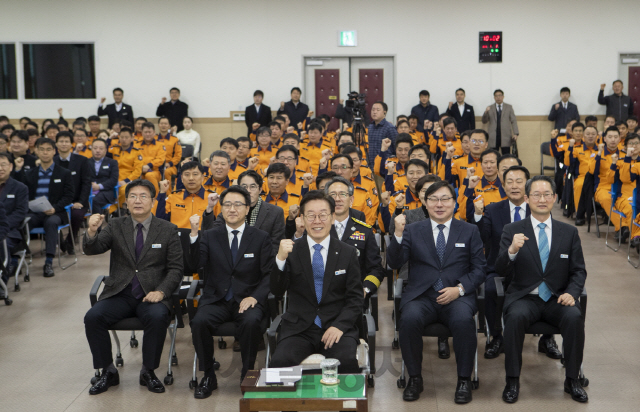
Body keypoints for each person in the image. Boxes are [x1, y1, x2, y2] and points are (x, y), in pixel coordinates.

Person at [387, 180, 486, 403]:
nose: (439, 204)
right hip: (422, 296)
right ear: (425, 203)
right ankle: (414, 378)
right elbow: (394, 263)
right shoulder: (412, 230)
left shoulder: (469, 231)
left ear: (454, 203)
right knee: (409, 319)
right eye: (433, 199)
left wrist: (460, 289)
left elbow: (480, 269)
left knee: (463, 321)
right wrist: (398, 234)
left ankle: (463, 380)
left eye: (445, 199)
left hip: (457, 295)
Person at [83, 179, 183, 395]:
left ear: (153, 202)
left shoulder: (167, 229)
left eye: (143, 196)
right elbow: (93, 249)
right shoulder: (116, 225)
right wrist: (91, 231)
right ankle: (108, 371)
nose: (138, 201)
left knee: (157, 317)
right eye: (133, 196)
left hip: (152, 294)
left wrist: (162, 291)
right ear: (126, 201)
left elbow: (176, 269)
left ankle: (148, 371)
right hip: (120, 292)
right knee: (93, 317)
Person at [495, 175, 587, 404]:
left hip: (557, 298)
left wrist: (572, 293)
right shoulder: (512, 229)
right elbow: (500, 270)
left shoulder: (569, 232)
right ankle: (512, 380)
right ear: (527, 199)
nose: (542, 199)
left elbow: (578, 271)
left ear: (555, 198)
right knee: (514, 318)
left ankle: (572, 379)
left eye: (547, 194)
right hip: (525, 297)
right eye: (536, 194)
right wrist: (512, 251)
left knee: (575, 317)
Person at [187, 186, 273, 396]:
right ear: (221, 208)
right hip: (216, 299)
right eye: (227, 204)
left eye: (237, 205)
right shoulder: (209, 235)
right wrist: (194, 234)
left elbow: (269, 274)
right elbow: (193, 265)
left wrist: (255, 297)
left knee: (251, 322)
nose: (232, 209)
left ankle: (247, 373)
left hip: (247, 298)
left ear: (247, 209)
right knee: (198, 322)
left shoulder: (260, 237)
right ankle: (208, 375)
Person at [270, 190, 363, 373]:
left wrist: (340, 326)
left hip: (336, 325)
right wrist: (280, 259)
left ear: (332, 217)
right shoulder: (291, 251)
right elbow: (277, 290)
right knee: (280, 363)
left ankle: (341, 402)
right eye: (311, 216)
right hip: (299, 328)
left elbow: (355, 299)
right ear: (302, 219)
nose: (317, 221)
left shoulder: (347, 252)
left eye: (323, 215)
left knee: (346, 362)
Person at [14, 138, 74, 277]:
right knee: (20, 223)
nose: (45, 153)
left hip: (56, 212)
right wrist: (17, 170)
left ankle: (48, 262)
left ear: (54, 151)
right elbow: (21, 192)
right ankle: (15, 261)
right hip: (35, 212)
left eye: (48, 149)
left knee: (51, 222)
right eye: (41, 149)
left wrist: (55, 208)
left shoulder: (64, 173)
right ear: (36, 151)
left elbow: (68, 196)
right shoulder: (30, 173)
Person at [203, 170, 285, 254]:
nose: (248, 191)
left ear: (260, 189)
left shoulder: (275, 212)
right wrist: (210, 208)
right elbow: (210, 235)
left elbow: (276, 246)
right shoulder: (232, 210)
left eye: (252, 187)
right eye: (244, 186)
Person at [54, 131, 91, 254]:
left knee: (76, 215)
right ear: (56, 143)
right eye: (61, 141)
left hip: (78, 200)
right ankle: (60, 242)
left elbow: (86, 183)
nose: (64, 144)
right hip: (58, 202)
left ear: (71, 144)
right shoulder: (52, 161)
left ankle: (70, 242)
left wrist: (80, 201)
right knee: (50, 218)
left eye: (66, 141)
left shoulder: (82, 160)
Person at [592, 127, 626, 242]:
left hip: (622, 186)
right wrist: (599, 153)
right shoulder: (598, 153)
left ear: (620, 139)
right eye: (610, 137)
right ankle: (622, 227)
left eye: (616, 137)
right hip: (603, 187)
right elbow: (591, 171)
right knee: (607, 199)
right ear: (604, 139)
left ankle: (628, 229)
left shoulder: (625, 153)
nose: (613, 140)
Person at [155, 161, 211, 229]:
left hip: (203, 238)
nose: (191, 178)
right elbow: (160, 219)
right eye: (187, 174)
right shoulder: (173, 197)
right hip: (177, 237)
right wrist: (162, 193)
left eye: (195, 174)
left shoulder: (211, 198)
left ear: (202, 177)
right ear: (181, 178)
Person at [0, 153, 29, 283]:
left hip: (11, 231)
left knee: (1, 244)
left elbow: (20, 212)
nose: (0, 168)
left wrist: (3, 225)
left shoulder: (20, 188)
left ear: (11, 166)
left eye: (3, 165)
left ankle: (2, 282)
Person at [567, 125, 598, 225]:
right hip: (582, 177)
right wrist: (570, 148)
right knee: (579, 185)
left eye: (593, 134)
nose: (590, 136)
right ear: (583, 136)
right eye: (588, 134)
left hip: (598, 177)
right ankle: (579, 215)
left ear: (597, 136)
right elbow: (569, 163)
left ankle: (606, 214)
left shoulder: (601, 150)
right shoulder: (577, 149)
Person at [108, 127, 143, 206]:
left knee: (124, 190)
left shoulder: (136, 152)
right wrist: (109, 138)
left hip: (128, 179)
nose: (124, 139)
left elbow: (138, 171)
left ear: (132, 138)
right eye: (122, 137)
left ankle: (117, 209)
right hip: (114, 177)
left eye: (126, 137)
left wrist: (126, 180)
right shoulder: (115, 149)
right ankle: (112, 210)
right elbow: (103, 150)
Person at [482, 90, 519, 155]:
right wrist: (486, 112)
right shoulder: (490, 108)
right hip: (493, 136)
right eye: (496, 96)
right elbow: (484, 121)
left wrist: (516, 133)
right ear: (494, 97)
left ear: (503, 96)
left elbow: (513, 120)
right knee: (493, 155)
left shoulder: (509, 107)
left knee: (506, 155)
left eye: (500, 95)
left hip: (505, 136)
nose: (498, 97)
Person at [88, 138, 119, 213]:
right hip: (89, 190)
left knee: (94, 201)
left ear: (105, 150)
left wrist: (99, 186)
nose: (98, 150)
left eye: (101, 148)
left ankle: (97, 224)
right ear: (91, 149)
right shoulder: (86, 162)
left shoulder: (112, 162)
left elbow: (114, 180)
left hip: (106, 192)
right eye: (95, 148)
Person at [137, 122, 166, 195]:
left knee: (149, 175)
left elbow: (160, 159)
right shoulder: (136, 144)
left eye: (149, 132)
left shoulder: (160, 145)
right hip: (138, 170)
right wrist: (141, 167)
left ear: (154, 133)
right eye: (145, 132)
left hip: (154, 171)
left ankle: (156, 198)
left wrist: (149, 166)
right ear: (142, 133)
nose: (147, 134)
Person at [367, 101, 398, 166]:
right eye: (373, 109)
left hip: (384, 166)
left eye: (378, 110)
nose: (374, 112)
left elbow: (396, 147)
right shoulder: (370, 127)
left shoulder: (389, 128)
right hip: (371, 166)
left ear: (384, 112)